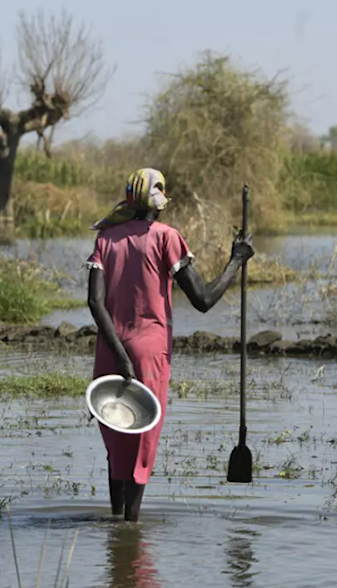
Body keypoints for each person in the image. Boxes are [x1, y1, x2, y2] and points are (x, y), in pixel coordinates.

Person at [85, 168, 255, 522]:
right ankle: (129, 532)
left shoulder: (106, 239)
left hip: (109, 351)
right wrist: (236, 261)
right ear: (159, 204)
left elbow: (95, 303)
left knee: (117, 443)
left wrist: (117, 352)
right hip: (149, 353)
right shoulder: (165, 237)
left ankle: (115, 525)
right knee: (142, 446)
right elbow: (204, 300)